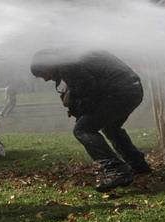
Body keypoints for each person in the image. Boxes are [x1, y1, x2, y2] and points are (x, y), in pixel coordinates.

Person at [30, 49, 152, 193]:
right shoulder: (72, 58)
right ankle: (139, 166)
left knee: (82, 129)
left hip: (119, 94)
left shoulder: (68, 66)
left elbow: (90, 97)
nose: (46, 79)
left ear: (49, 64)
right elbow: (92, 87)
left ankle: (116, 170)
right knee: (110, 126)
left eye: (44, 74)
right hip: (133, 89)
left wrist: (69, 101)